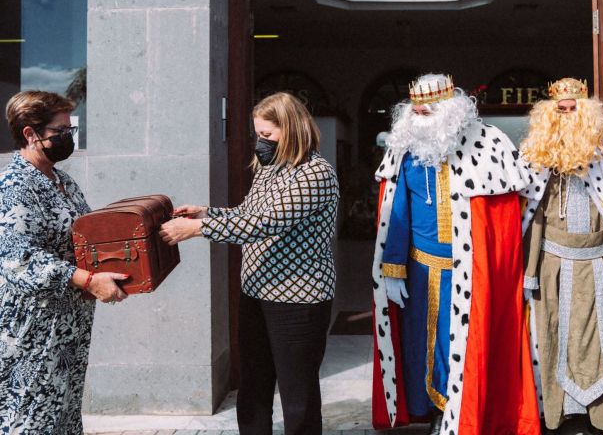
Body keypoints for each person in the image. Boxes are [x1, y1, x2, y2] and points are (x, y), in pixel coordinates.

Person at [159, 92, 339, 435]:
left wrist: (197, 228)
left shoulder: (316, 174)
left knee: (297, 396)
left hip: (298, 300)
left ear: (292, 130)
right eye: (258, 134)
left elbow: (265, 223)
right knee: (253, 389)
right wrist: (206, 212)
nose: (261, 142)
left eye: (268, 135)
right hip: (257, 292)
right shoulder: (269, 171)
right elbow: (248, 214)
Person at [370, 73, 540, 435]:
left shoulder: (487, 144)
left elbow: (508, 214)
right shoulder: (404, 150)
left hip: (473, 271)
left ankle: (464, 410)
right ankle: (432, 410)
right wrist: (393, 267)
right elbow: (395, 213)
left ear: (449, 110)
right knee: (421, 346)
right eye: (414, 112)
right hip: (419, 269)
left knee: (467, 344)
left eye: (427, 112)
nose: (420, 120)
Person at [518, 78, 603, 434]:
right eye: (561, 109)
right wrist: (528, 271)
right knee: (553, 335)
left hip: (597, 264)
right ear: (549, 113)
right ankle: (556, 414)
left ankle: (598, 415)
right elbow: (532, 217)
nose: (568, 115)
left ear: (588, 112)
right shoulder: (539, 154)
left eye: (575, 109)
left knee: (595, 339)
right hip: (552, 266)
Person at [0, 91, 128, 433]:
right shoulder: (15, 186)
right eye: (60, 130)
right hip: (33, 328)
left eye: (69, 128)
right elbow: (18, 260)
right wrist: (86, 280)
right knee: (31, 418)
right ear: (30, 134)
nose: (68, 136)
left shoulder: (61, 180)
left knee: (64, 414)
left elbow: (84, 237)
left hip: (69, 324)